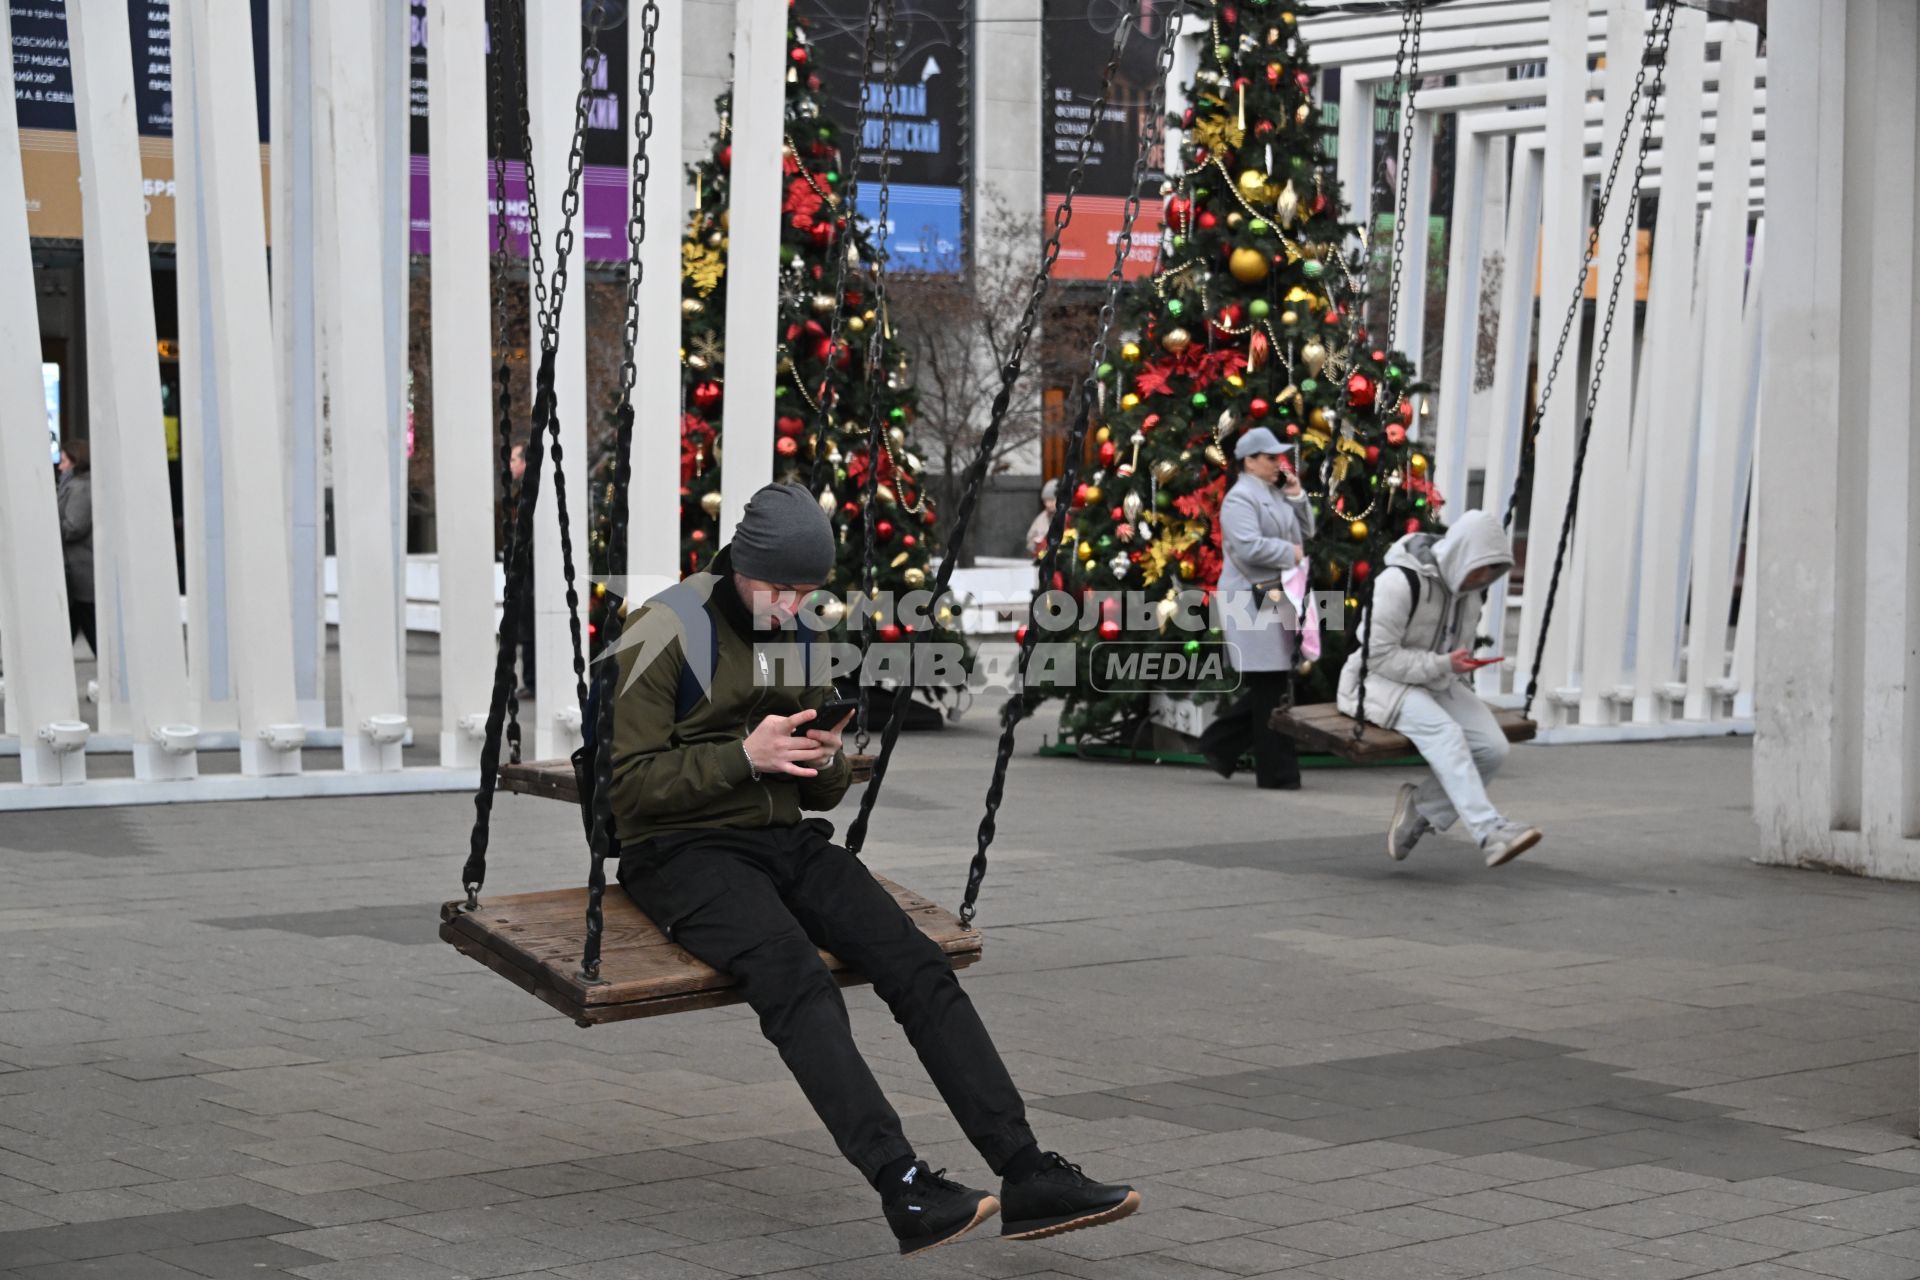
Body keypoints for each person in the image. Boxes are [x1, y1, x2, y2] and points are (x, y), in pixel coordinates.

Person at [608, 482, 1140, 1258]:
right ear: (740, 567)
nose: (791, 606)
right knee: (794, 977)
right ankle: (902, 1184)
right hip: (679, 852)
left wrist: (822, 760)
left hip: (783, 839)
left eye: (806, 592)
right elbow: (625, 789)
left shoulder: (797, 632)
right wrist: (741, 756)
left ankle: (1026, 1169)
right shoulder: (661, 628)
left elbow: (817, 782)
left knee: (916, 962)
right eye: (778, 588)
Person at [1336, 509, 1542, 868]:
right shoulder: (1398, 582)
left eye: (1492, 570)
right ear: (1461, 554)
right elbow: (1378, 655)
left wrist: (1455, 666)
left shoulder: (1471, 592)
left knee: (1492, 748)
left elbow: (1450, 648)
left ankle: (1420, 808)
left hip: (1435, 679)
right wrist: (1443, 665)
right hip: (1377, 681)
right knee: (1446, 735)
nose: (1483, 577)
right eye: (1480, 567)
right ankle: (1488, 831)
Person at [1200, 426, 1314, 790]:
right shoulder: (1239, 499)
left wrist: (1297, 496)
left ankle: (1221, 744)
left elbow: (1305, 532)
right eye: (1269, 457)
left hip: (1273, 593)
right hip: (1249, 595)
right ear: (1248, 461)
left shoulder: (1274, 493)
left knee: (1273, 680)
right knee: (1270, 681)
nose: (1277, 463)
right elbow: (1247, 546)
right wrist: (1290, 553)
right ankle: (1275, 771)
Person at [57, 443, 94, 655]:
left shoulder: (81, 488)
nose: (60, 467)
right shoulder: (72, 486)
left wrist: (49, 527)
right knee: (72, 624)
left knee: (86, 620)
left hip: (80, 572)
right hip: (75, 572)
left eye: (64, 461)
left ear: (76, 462)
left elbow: (74, 527)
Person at [507, 443, 536, 697]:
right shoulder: (521, 492)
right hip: (527, 569)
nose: (511, 464)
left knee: (528, 626)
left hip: (529, 571)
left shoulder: (528, 493)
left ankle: (531, 680)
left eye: (514, 459)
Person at [1024, 478, 1058, 558]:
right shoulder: (1041, 518)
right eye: (1045, 501)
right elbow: (1030, 540)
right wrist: (1036, 545)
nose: (1048, 504)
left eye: (1051, 500)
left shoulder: (1070, 517)